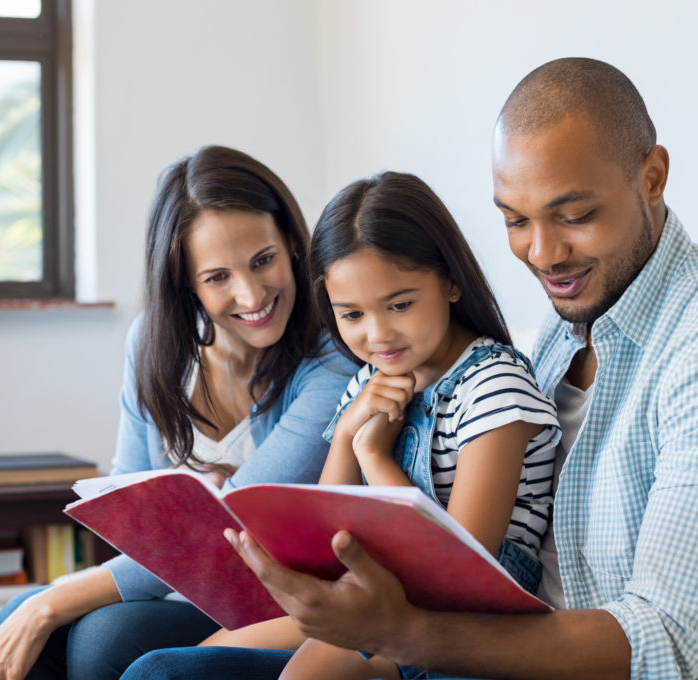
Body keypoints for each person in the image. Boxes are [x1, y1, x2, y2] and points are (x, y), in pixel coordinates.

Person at [121, 58, 698, 679]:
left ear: (653, 177)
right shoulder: (565, 326)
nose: (543, 254)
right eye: (515, 220)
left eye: (573, 215)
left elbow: (662, 645)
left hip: (534, 654)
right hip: (472, 637)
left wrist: (403, 634)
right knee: (156, 667)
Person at [0, 145, 357, 680]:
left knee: (94, 637)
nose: (252, 293)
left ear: (290, 243)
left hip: (272, 604)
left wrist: (49, 602)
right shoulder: (153, 343)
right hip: (171, 588)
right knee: (16, 617)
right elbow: (127, 509)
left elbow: (224, 538)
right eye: (217, 277)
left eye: (264, 260)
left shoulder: (331, 361)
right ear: (185, 282)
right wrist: (41, 605)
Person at [189, 172, 560, 680]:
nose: (378, 333)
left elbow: (460, 563)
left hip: (467, 613)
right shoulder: (369, 379)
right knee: (188, 659)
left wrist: (374, 457)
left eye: (400, 305)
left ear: (451, 281)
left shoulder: (493, 385)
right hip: (377, 586)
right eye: (352, 314)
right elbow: (325, 538)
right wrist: (345, 436)